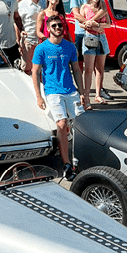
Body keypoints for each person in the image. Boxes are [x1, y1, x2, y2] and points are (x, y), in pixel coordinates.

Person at [32, 15, 83, 181]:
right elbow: (35, 72)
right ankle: (67, 163)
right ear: (48, 29)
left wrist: (83, 93)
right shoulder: (41, 49)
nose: (58, 28)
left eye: (60, 25)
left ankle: (80, 158)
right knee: (61, 123)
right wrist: (39, 96)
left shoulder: (70, 47)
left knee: (81, 125)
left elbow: (76, 70)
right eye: (54, 26)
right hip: (53, 92)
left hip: (70, 90)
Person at [70, 0, 112, 101]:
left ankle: (98, 93)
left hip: (97, 34)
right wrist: (89, 23)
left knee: (98, 68)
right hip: (82, 33)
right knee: (82, 65)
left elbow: (104, 11)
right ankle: (83, 92)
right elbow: (76, 15)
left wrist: (94, 23)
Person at [80, 0, 111, 109]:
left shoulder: (103, 8)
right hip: (89, 38)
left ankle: (98, 94)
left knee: (100, 69)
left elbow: (108, 24)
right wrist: (90, 26)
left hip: (102, 38)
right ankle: (86, 97)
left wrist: (97, 25)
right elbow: (81, 24)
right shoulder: (85, 7)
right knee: (88, 69)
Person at [18, 0, 46, 75]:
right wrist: (18, 41)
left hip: (42, 41)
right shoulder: (22, 5)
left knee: (41, 69)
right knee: (27, 68)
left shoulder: (44, 3)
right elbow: (17, 23)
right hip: (28, 41)